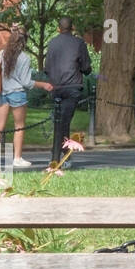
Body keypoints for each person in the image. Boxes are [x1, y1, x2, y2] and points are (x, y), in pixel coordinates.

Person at [0, 28, 54, 168]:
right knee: (19, 126)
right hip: (17, 93)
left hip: (2, 93)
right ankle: (17, 158)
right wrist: (43, 84)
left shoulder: (2, 54)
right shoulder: (24, 58)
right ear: (24, 42)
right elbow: (26, 82)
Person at [44, 17, 92, 169]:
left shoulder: (52, 43)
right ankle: (61, 157)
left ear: (59, 28)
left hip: (56, 87)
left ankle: (58, 155)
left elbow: (46, 68)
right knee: (64, 122)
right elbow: (86, 68)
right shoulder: (78, 43)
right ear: (73, 27)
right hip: (72, 87)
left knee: (61, 121)